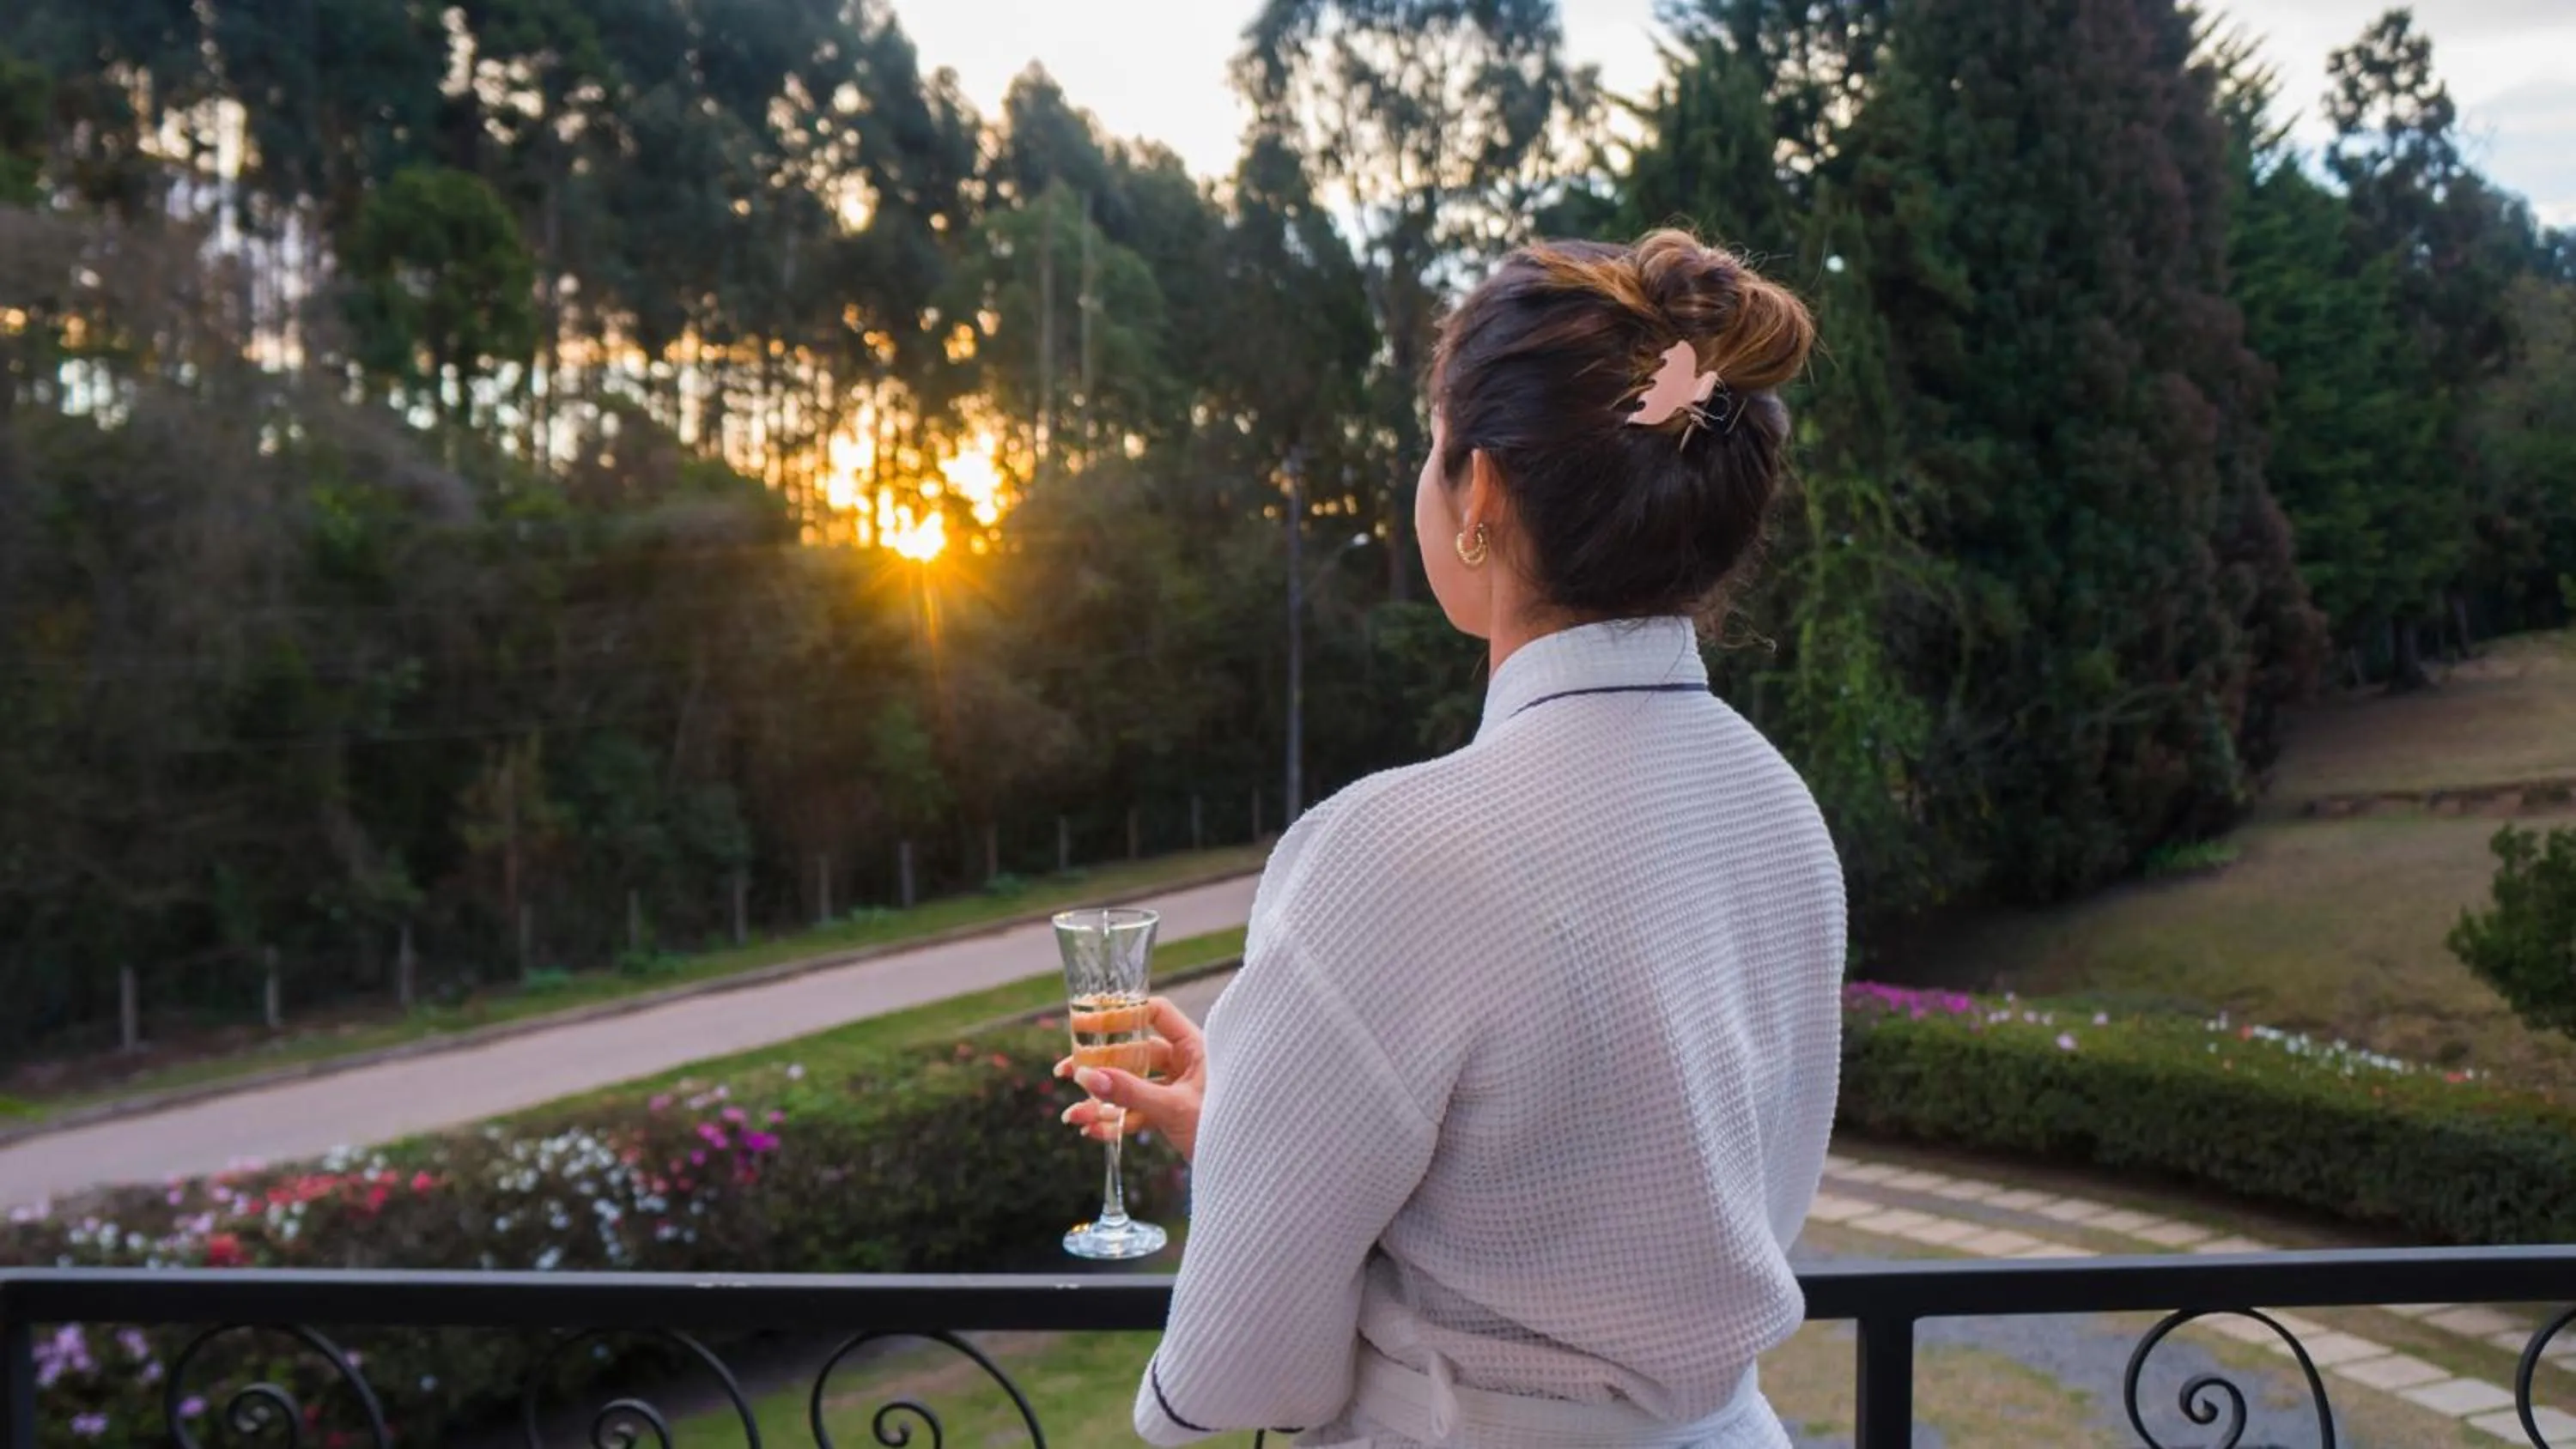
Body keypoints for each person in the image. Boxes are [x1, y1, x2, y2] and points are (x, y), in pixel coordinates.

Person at [1059, 228, 1846, 1449]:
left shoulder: (1394, 850)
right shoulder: (1778, 810)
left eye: (1429, 451)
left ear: (1478, 493)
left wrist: (1250, 1206)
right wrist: (1263, 1138)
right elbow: (1640, 1207)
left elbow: (1239, 1374)